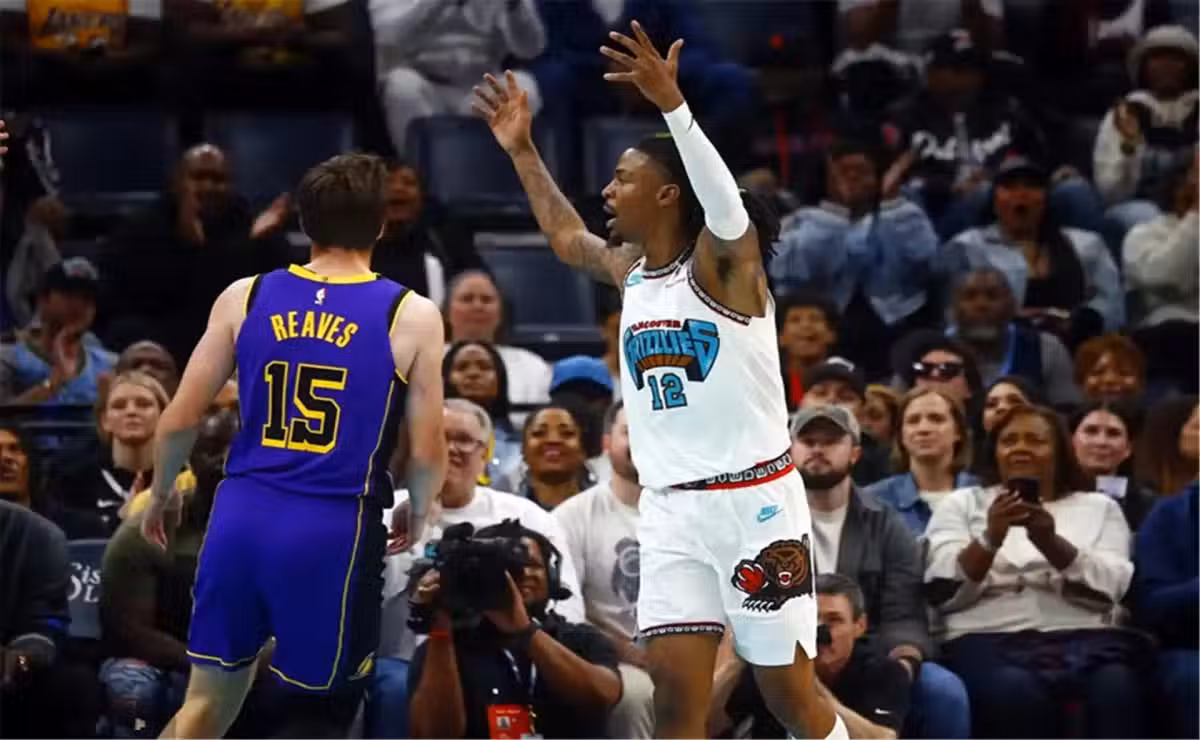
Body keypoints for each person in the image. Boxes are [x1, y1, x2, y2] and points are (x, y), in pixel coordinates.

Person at [475, 22, 844, 738]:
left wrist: (673, 106)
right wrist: (522, 150)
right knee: (674, 707)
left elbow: (727, 210)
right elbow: (565, 239)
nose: (608, 190)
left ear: (670, 193)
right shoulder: (632, 271)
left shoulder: (727, 270)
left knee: (788, 697)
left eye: (623, 179)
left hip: (754, 505)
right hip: (671, 510)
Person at [140, 153, 448, 739]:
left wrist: (161, 493)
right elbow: (429, 450)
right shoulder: (410, 313)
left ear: (303, 223)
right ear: (382, 223)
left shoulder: (245, 295)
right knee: (324, 712)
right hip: (332, 525)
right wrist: (421, 504)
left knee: (206, 702)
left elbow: (178, 418)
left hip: (241, 514)